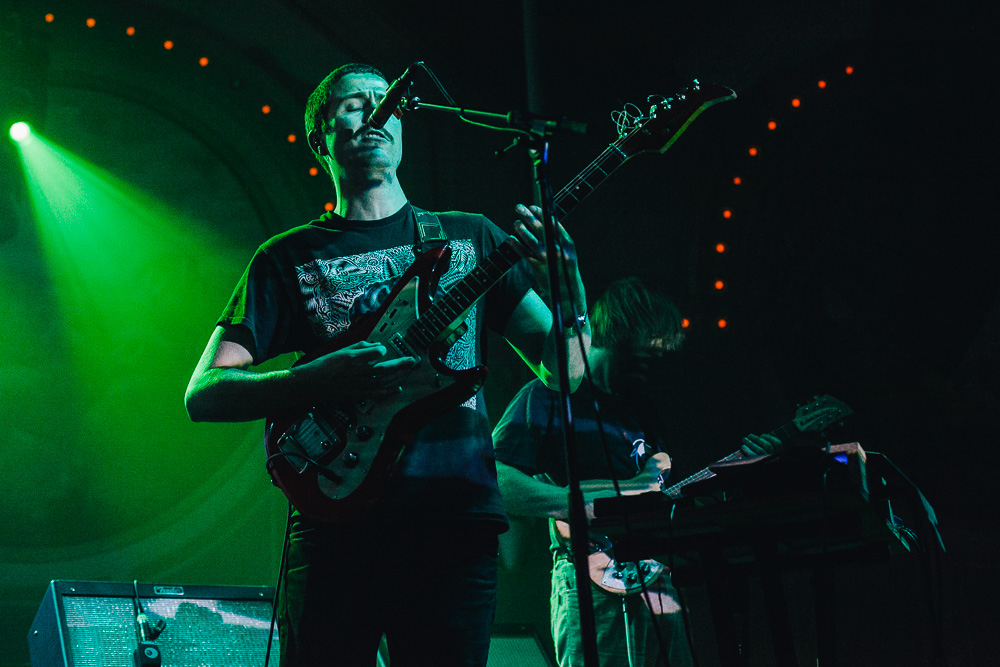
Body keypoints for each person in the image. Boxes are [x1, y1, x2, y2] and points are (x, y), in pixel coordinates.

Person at [184, 63, 590, 667]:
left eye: (388, 102)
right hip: (335, 521)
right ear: (320, 136)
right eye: (353, 104)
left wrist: (572, 287)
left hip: (454, 525)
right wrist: (315, 379)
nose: (375, 112)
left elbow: (566, 372)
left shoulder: (469, 238)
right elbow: (205, 393)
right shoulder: (288, 257)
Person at [492, 277, 781, 667]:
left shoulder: (642, 410)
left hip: (656, 577)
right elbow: (492, 477)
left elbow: (658, 496)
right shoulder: (548, 395)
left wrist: (741, 469)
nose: (662, 354)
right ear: (622, 327)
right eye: (655, 340)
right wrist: (578, 505)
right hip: (588, 580)